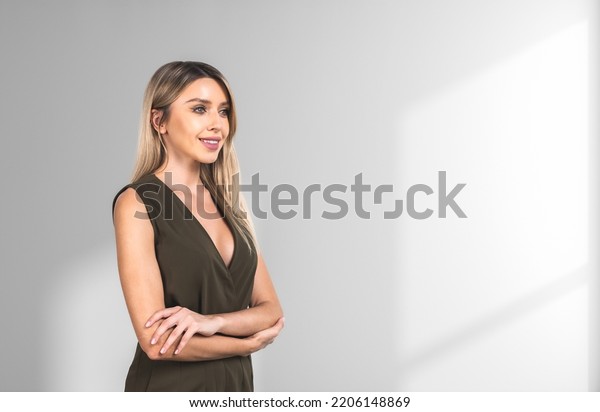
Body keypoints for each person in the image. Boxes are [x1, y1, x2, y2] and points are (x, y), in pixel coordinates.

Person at [111, 61, 284, 391]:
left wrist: (211, 322)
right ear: (159, 120)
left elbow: (271, 310)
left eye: (223, 111)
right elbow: (154, 342)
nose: (217, 124)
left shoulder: (229, 202)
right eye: (199, 109)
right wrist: (244, 344)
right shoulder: (138, 202)